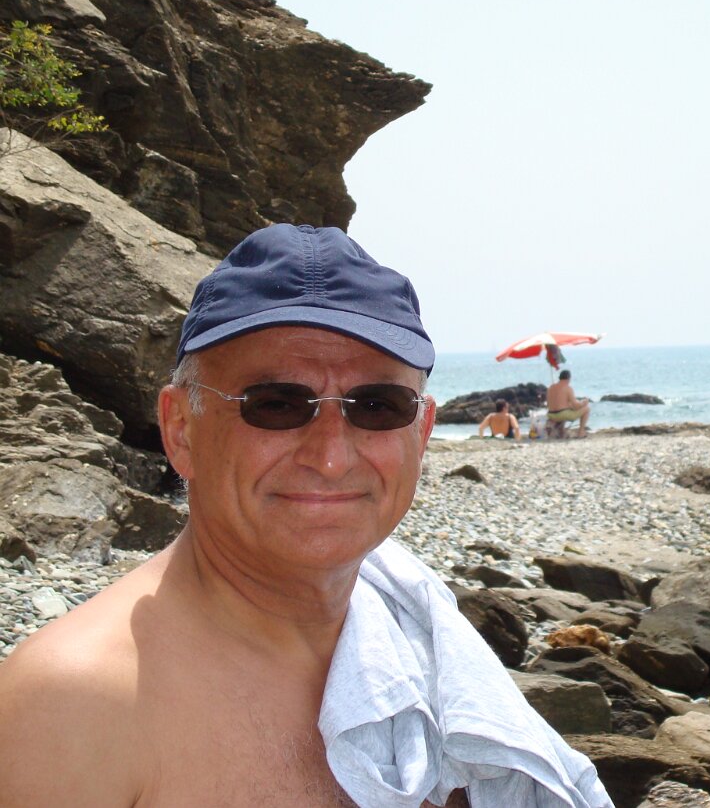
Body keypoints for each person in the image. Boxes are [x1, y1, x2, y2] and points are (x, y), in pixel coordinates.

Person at [0, 225, 610, 807]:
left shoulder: (421, 645)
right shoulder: (76, 706)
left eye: (377, 405)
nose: (330, 457)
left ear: (421, 432)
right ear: (181, 429)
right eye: (275, 404)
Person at [547, 369, 590, 436]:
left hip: (551, 415)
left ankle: (561, 431)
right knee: (587, 409)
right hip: (562, 414)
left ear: (560, 378)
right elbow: (576, 406)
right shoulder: (568, 388)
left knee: (565, 409)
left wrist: (568, 405)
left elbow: (553, 403)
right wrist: (584, 403)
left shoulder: (551, 387)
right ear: (569, 378)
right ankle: (581, 432)